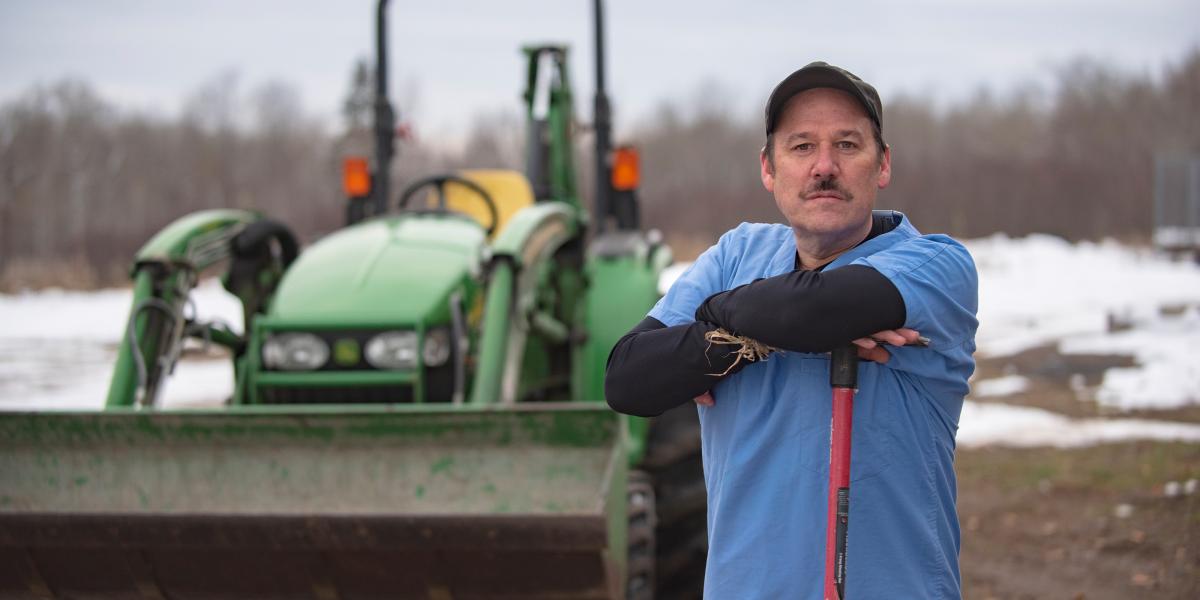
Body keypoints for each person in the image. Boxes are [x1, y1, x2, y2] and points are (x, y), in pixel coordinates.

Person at [605, 62, 979, 599]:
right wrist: (751, 328)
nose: (823, 166)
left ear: (883, 165)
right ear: (769, 168)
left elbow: (816, 313)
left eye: (847, 145)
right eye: (801, 147)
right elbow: (628, 378)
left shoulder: (936, 267)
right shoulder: (738, 254)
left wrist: (713, 322)